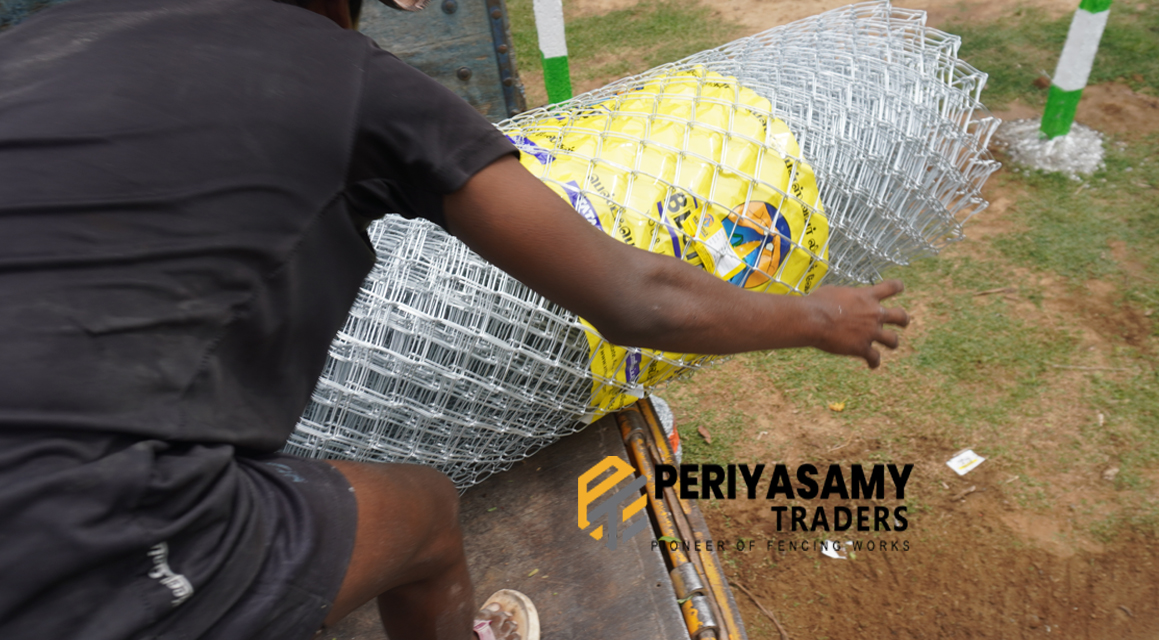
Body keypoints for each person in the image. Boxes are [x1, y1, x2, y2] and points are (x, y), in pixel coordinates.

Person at [0, 0, 908, 639]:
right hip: (71, 528)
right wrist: (813, 315)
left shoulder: (50, 39)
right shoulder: (348, 77)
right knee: (424, 515)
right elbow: (637, 295)